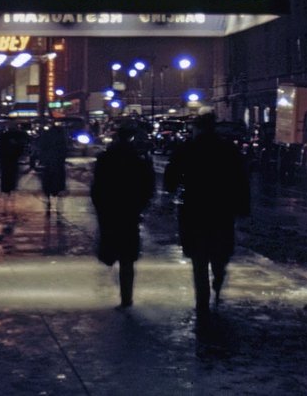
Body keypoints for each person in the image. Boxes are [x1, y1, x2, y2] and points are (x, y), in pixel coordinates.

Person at [163, 110, 250, 329]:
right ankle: (218, 281)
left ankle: (202, 302)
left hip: (194, 209)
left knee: (198, 260)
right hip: (221, 208)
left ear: (197, 128)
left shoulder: (187, 149)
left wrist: (175, 189)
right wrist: (242, 206)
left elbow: (171, 178)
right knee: (219, 252)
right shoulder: (227, 149)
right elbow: (240, 179)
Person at [90, 120, 156, 309]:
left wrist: (101, 207)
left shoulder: (106, 158)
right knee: (128, 256)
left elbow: (98, 186)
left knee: (113, 249)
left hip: (111, 209)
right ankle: (126, 296)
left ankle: (121, 288)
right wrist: (141, 206)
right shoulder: (139, 159)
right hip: (130, 210)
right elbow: (148, 186)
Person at [0, 123, 30, 219]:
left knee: (6, 186)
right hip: (12, 164)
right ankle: (11, 207)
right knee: (12, 185)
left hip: (6, 164)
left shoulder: (4, 137)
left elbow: (0, 150)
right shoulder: (17, 138)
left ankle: (6, 207)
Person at [37, 123, 69, 214]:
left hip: (49, 163)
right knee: (58, 182)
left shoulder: (47, 136)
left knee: (48, 182)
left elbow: (42, 148)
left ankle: (49, 201)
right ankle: (57, 202)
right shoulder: (61, 137)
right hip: (57, 163)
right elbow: (64, 150)